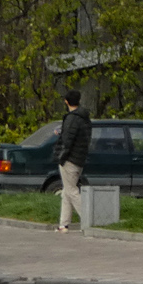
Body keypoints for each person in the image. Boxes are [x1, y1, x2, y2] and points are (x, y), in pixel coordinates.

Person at [53, 90, 93, 233]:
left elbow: (67, 141)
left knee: (71, 191)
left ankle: (89, 219)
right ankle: (63, 224)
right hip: (80, 158)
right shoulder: (84, 118)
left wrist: (61, 157)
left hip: (70, 159)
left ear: (66, 101)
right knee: (66, 191)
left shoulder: (71, 118)